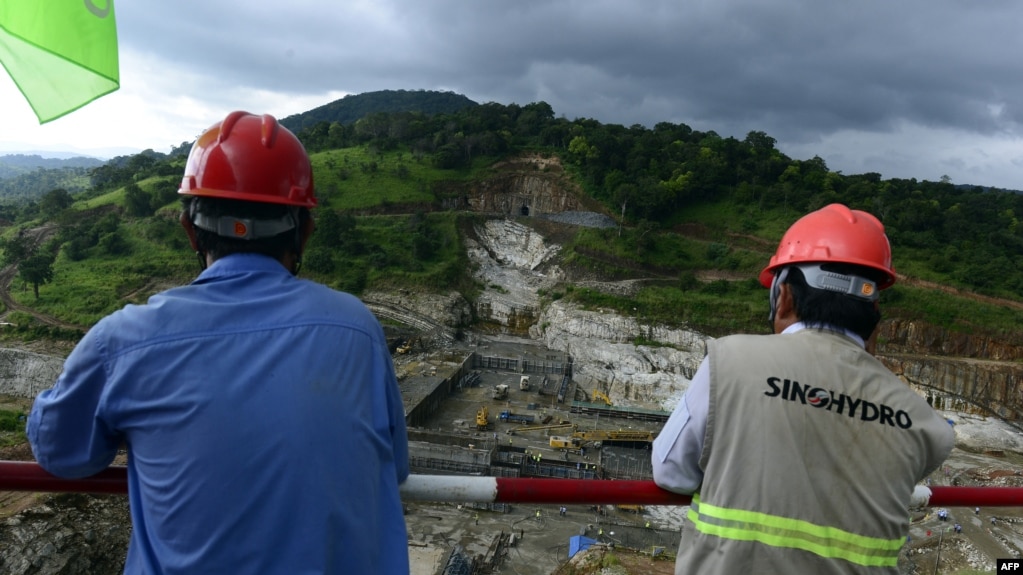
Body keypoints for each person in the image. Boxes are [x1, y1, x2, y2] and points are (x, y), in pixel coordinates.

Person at [27, 111, 410, 574]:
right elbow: (395, 467)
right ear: (305, 231)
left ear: (190, 229)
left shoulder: (124, 340)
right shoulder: (359, 329)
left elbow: (60, 453)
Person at [651, 204, 954, 574]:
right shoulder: (923, 423)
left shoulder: (728, 360)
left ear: (784, 296)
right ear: (874, 313)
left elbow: (671, 474)